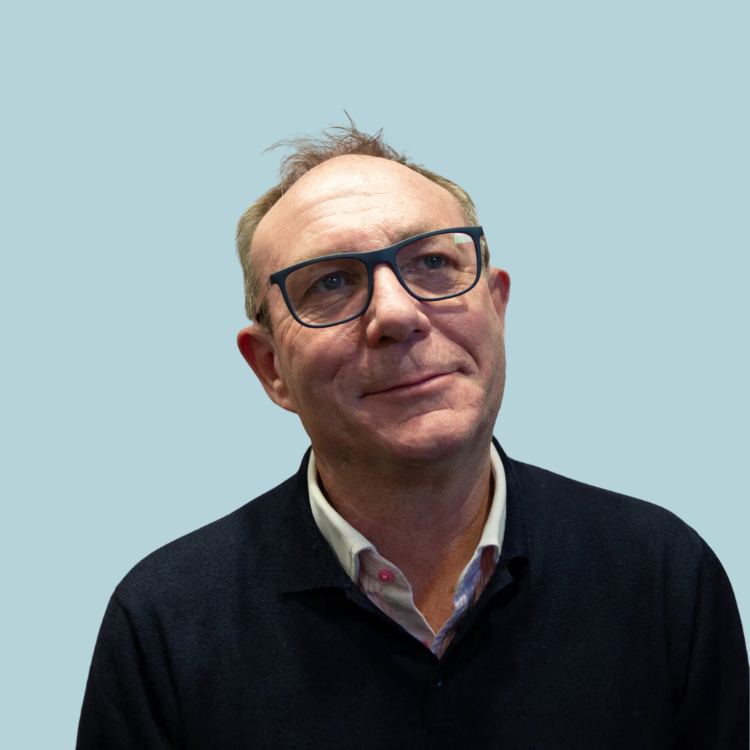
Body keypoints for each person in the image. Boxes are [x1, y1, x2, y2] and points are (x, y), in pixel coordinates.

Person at [77, 123, 749, 749]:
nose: (397, 314)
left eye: (431, 262)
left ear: (497, 307)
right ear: (271, 368)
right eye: (331, 282)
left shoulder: (664, 578)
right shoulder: (164, 625)